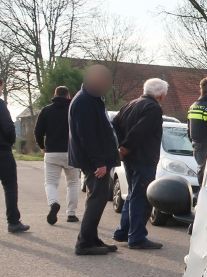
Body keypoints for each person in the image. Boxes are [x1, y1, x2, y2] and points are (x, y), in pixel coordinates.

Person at [112, 78, 168, 250]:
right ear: (160, 94)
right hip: (144, 158)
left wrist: (122, 145)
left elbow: (115, 123)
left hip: (130, 159)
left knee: (132, 194)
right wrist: (126, 146)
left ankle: (123, 231)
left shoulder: (130, 104)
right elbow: (141, 130)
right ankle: (136, 237)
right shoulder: (153, 108)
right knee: (142, 197)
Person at [69, 64, 120, 255]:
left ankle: (92, 238)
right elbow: (87, 136)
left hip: (98, 160)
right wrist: (99, 162)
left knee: (96, 200)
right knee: (96, 201)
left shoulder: (92, 99)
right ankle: (84, 244)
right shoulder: (83, 101)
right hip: (94, 162)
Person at [35, 86, 81, 224]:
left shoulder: (46, 110)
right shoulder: (74, 110)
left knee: (50, 183)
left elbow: (38, 131)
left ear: (55, 95)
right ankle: (71, 214)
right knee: (73, 183)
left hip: (52, 153)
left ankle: (54, 203)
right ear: (68, 96)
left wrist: (42, 147)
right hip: (71, 152)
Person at [0, 78, 28, 233]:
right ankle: (13, 222)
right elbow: (8, 127)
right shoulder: (0, 105)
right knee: (10, 186)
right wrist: (10, 142)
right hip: (2, 152)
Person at [187, 77, 207, 183]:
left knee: (202, 171)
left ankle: (202, 194)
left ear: (201, 89)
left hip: (196, 146)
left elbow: (188, 129)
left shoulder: (193, 106)